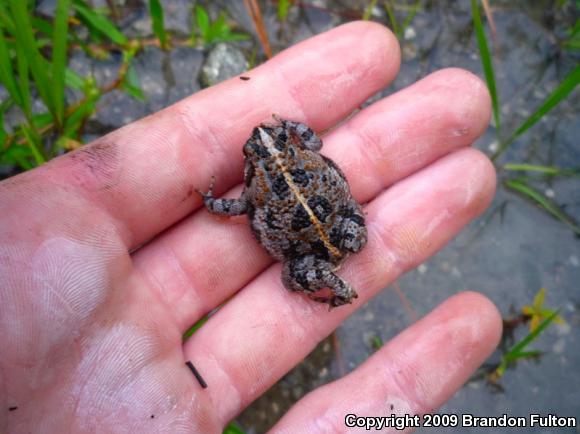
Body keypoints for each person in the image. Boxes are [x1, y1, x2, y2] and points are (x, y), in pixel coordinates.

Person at [0, 22, 501, 433]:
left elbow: (226, 211)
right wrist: (289, 135)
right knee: (348, 234)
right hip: (338, 229)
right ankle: (338, 279)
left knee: (291, 276)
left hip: (307, 248)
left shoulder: (254, 189)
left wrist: (207, 198)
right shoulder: (301, 154)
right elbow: (306, 138)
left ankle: (334, 283)